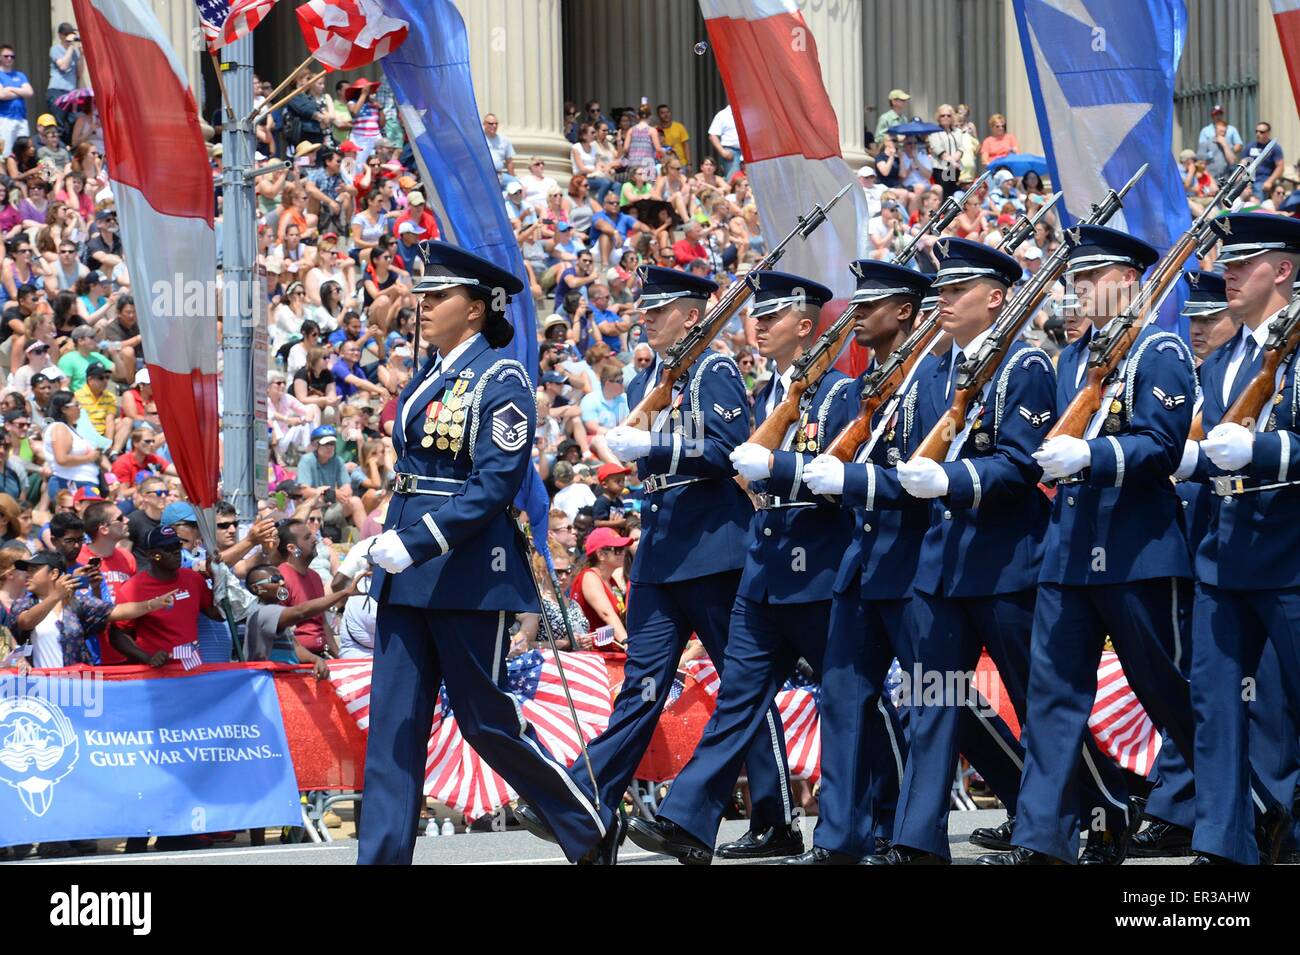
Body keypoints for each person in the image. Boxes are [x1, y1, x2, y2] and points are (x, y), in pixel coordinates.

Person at [517, 265, 789, 856]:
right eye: (645, 308)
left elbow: (732, 449)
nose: (646, 316)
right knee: (640, 686)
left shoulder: (712, 368)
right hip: (662, 553)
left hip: (714, 551)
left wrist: (658, 444)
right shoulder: (649, 381)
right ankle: (588, 796)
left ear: (692, 316)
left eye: (660, 309)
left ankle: (776, 815)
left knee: (745, 687)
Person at [361, 240, 618, 865]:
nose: (422, 305)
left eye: (438, 296)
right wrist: (378, 542)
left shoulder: (499, 376)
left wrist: (412, 541)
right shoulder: (431, 374)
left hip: (466, 572)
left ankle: (585, 824)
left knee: (486, 721)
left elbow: (493, 484)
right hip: (408, 573)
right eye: (422, 294)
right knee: (394, 726)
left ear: (475, 310)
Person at [972, 227, 1194, 865]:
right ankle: (1045, 838)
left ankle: (1255, 806)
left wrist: (1093, 454)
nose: (1076, 292)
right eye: (1074, 279)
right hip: (1069, 552)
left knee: (1168, 692)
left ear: (1126, 280)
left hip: (1136, 548)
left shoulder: (1160, 348)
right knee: (1051, 699)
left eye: (1089, 279)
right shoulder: (1070, 361)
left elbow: (1162, 445)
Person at [629, 271, 858, 863]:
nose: (756, 326)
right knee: (739, 699)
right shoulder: (765, 397)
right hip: (766, 571)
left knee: (854, 700)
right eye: (755, 316)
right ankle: (688, 818)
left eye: (770, 317)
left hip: (819, 573)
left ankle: (878, 825)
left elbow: (835, 480)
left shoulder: (835, 393)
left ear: (806, 326)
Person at [853, 240, 1055, 864]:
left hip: (1006, 559)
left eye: (955, 291)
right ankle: (918, 839)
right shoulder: (933, 373)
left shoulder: (1024, 363)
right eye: (939, 290)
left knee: (1036, 699)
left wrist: (953, 479)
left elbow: (1022, 461)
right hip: (944, 562)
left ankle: (1077, 819)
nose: (941, 300)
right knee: (933, 698)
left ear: (995, 298)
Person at [1173, 213, 1300, 864]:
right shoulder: (1223, 361)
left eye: (1244, 264)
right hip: (1225, 555)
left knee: (1287, 706)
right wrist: (1194, 461)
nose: (1228, 274)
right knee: (1216, 705)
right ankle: (1221, 842)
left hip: (1290, 553)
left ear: (1282, 270)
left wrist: (1264, 448)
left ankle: (1283, 823)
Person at [108, 525, 223, 666]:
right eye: (168, 549)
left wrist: (219, 579)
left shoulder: (193, 579)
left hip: (191, 668)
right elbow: (116, 634)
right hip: (156, 674)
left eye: (178, 545)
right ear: (151, 555)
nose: (176, 552)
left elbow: (217, 614)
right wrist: (146, 657)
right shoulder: (132, 589)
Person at [568, 525, 629, 648]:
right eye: (617, 549)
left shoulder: (611, 581)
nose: (623, 553)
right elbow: (606, 614)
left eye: (623, 548)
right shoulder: (589, 577)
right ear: (601, 554)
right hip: (595, 656)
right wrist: (626, 642)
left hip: (611, 653)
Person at [0, 44, 33, 162]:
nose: (9, 58)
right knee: (6, 152)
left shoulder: (20, 75)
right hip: (5, 118)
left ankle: (22, 174)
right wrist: (20, 92)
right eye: (6, 56)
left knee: (25, 149)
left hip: (21, 118)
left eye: (12, 56)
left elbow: (29, 92)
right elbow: (2, 95)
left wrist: (10, 89)